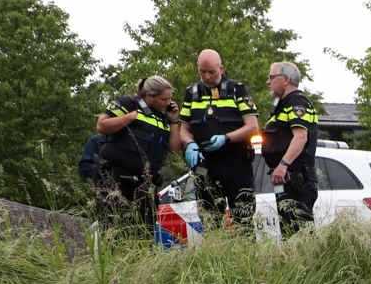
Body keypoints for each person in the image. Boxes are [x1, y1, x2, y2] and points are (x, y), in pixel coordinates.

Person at [95, 76, 187, 236]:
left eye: (170, 98)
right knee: (113, 232)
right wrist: (131, 117)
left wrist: (173, 121)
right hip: (116, 180)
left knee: (145, 236)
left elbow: (174, 149)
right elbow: (101, 125)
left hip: (145, 185)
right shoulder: (128, 103)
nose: (168, 102)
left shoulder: (164, 115)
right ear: (149, 96)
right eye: (163, 99)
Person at [180, 50, 260, 230]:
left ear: (221, 69)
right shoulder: (191, 94)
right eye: (202, 72)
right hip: (205, 165)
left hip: (235, 163)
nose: (207, 77)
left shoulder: (236, 89)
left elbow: (253, 127)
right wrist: (190, 144)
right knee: (209, 220)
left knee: (243, 220)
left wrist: (226, 138)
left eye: (212, 72)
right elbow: (183, 130)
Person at [262, 61, 319, 236]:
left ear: (286, 79)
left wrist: (283, 164)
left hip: (297, 177)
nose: (268, 81)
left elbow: (301, 137)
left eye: (271, 77)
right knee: (290, 235)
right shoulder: (283, 105)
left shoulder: (297, 103)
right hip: (286, 179)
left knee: (300, 236)